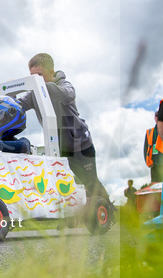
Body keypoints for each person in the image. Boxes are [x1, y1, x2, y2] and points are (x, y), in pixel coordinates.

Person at [18, 53, 111, 202]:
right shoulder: (33, 94)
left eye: (39, 75)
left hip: (81, 145)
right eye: (32, 76)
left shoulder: (64, 85)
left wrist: (43, 86)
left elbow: (68, 95)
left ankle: (108, 211)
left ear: (51, 72)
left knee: (91, 183)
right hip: (61, 148)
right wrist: (9, 96)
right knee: (64, 182)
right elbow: (18, 104)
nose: (36, 80)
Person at [143, 118, 163, 183]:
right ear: (154, 118)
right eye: (156, 116)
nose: (158, 118)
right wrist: (148, 163)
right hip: (154, 163)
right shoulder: (149, 132)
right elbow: (146, 148)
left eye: (159, 115)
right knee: (155, 184)